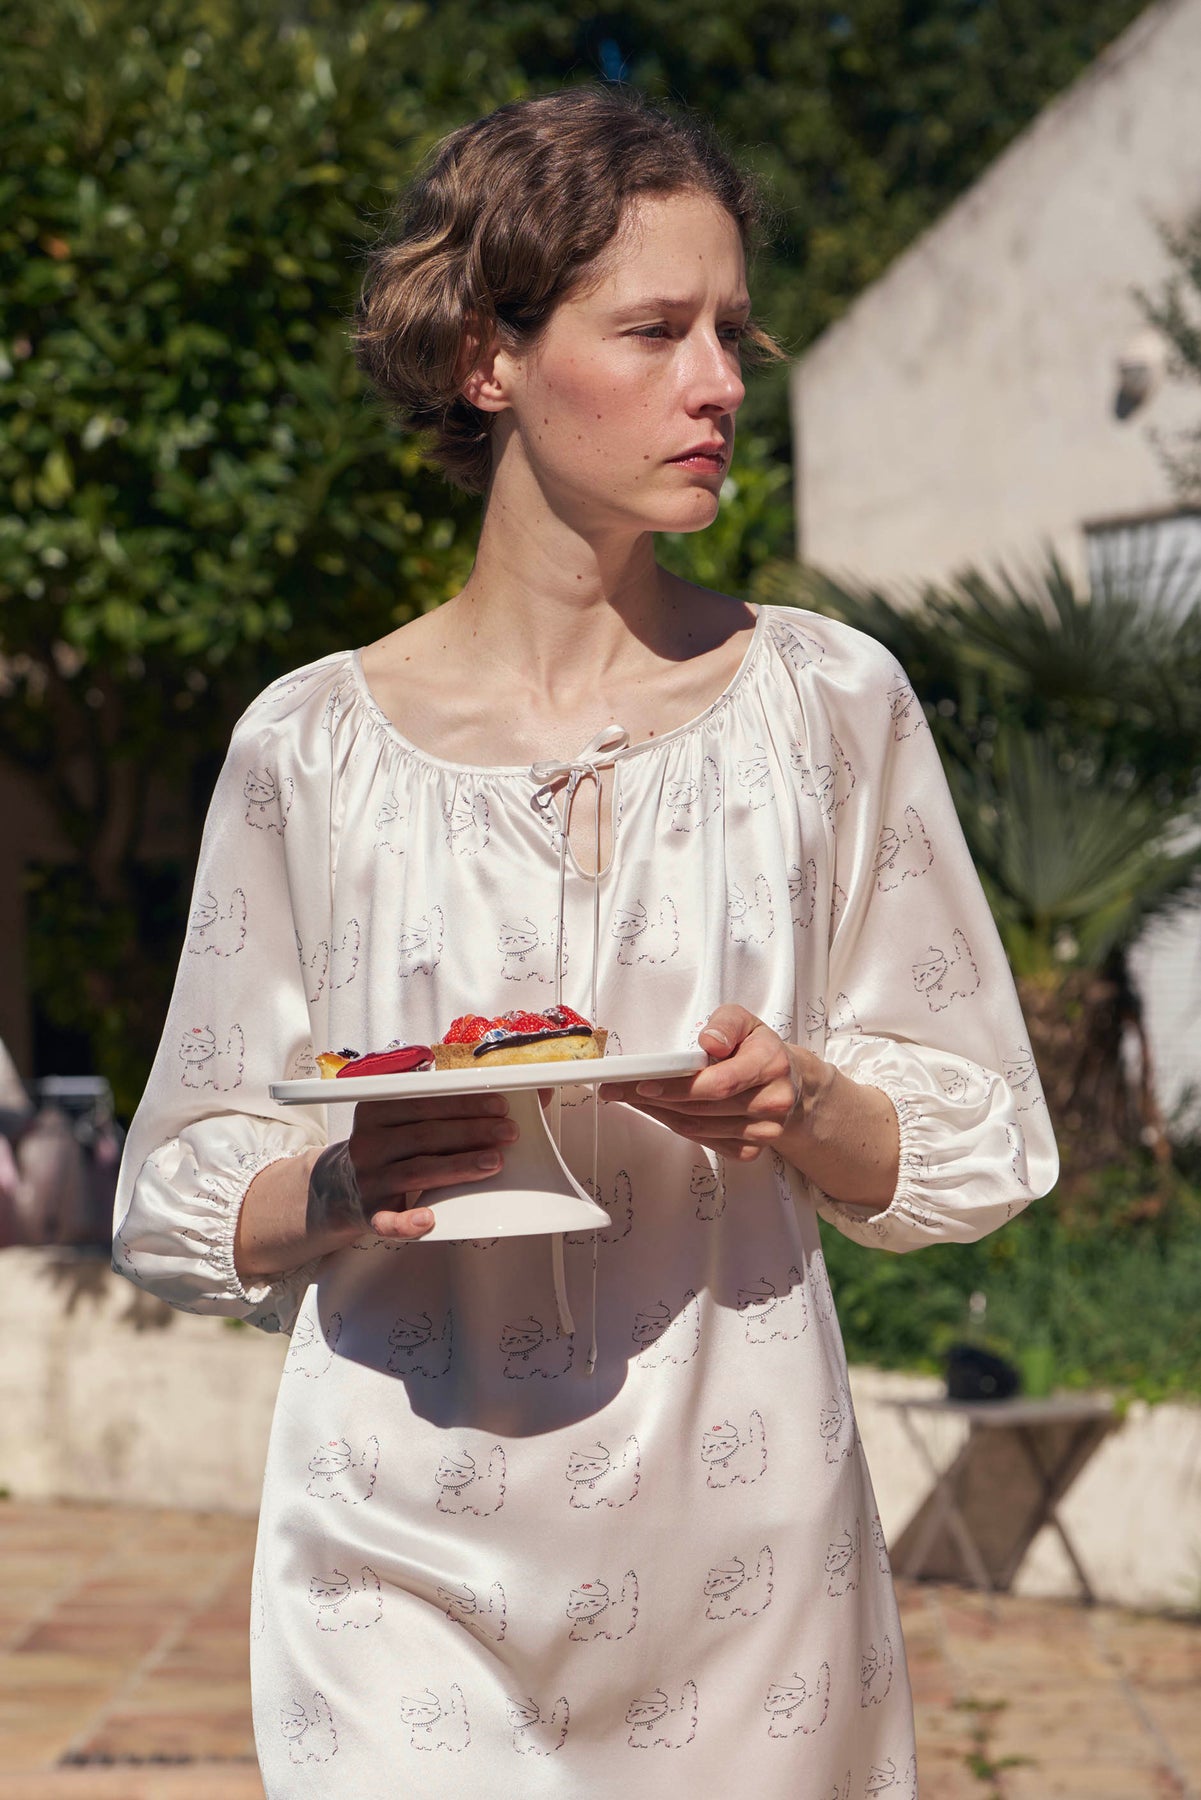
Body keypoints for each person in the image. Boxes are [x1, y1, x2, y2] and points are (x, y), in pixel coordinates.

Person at [113, 86, 1058, 1798]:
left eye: (731, 333)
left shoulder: (828, 705)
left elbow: (979, 1135)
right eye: (654, 329)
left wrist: (799, 1103)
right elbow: (179, 1186)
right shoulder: (308, 749)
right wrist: (342, 1182)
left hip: (746, 1564)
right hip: (391, 1546)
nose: (720, 382)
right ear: (489, 357)